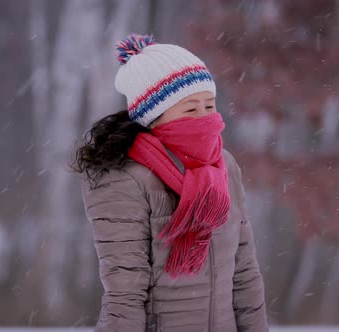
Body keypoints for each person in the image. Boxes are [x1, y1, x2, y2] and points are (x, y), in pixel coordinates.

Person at [72, 33, 268, 332]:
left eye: (210, 105)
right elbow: (126, 292)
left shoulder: (224, 165)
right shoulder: (124, 175)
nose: (204, 117)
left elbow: (244, 273)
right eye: (190, 109)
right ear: (153, 117)